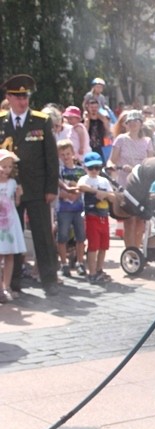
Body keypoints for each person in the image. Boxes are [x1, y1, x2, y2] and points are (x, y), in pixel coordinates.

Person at [0, 74, 61, 296]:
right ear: (8, 97)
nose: (22, 101)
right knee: (12, 236)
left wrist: (51, 188)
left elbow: (51, 157)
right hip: (8, 191)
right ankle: (13, 282)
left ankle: (49, 279)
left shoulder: (40, 120)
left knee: (43, 235)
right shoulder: (1, 121)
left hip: (37, 189)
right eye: (18, 97)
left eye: (25, 96)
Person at [107, 109, 155, 249]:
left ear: (141, 123)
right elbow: (111, 160)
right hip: (125, 184)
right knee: (129, 220)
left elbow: (150, 162)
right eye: (130, 121)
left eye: (136, 121)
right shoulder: (121, 139)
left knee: (140, 220)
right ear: (126, 124)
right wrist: (114, 167)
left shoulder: (147, 141)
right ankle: (130, 250)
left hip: (142, 184)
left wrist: (136, 169)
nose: (133, 124)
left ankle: (136, 251)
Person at [77, 152, 114, 284]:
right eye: (91, 168)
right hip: (91, 216)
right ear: (85, 168)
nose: (94, 171)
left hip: (104, 216)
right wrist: (96, 191)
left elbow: (113, 196)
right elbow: (80, 187)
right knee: (93, 245)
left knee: (104, 245)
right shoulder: (85, 179)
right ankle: (92, 272)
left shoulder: (104, 181)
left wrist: (105, 194)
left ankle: (99, 269)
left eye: (97, 168)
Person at [55, 139, 87, 277]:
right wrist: (67, 194)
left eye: (68, 153)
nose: (66, 157)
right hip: (63, 209)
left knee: (81, 236)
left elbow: (83, 187)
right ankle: (64, 263)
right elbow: (58, 190)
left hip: (78, 208)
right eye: (62, 154)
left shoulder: (80, 170)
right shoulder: (59, 171)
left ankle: (80, 262)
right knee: (62, 236)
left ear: (73, 153)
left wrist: (76, 194)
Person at [0, 149, 25, 303]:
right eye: (4, 166)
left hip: (9, 220)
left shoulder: (12, 183)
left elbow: (15, 203)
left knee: (10, 254)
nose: (7, 170)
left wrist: (18, 196)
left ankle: (6, 285)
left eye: (10, 166)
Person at [84, 96, 112, 163]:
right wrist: (87, 119)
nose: (94, 109)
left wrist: (101, 117)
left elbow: (108, 131)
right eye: (92, 107)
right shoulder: (84, 120)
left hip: (101, 147)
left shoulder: (102, 119)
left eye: (96, 107)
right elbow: (85, 132)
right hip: (88, 147)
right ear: (88, 108)